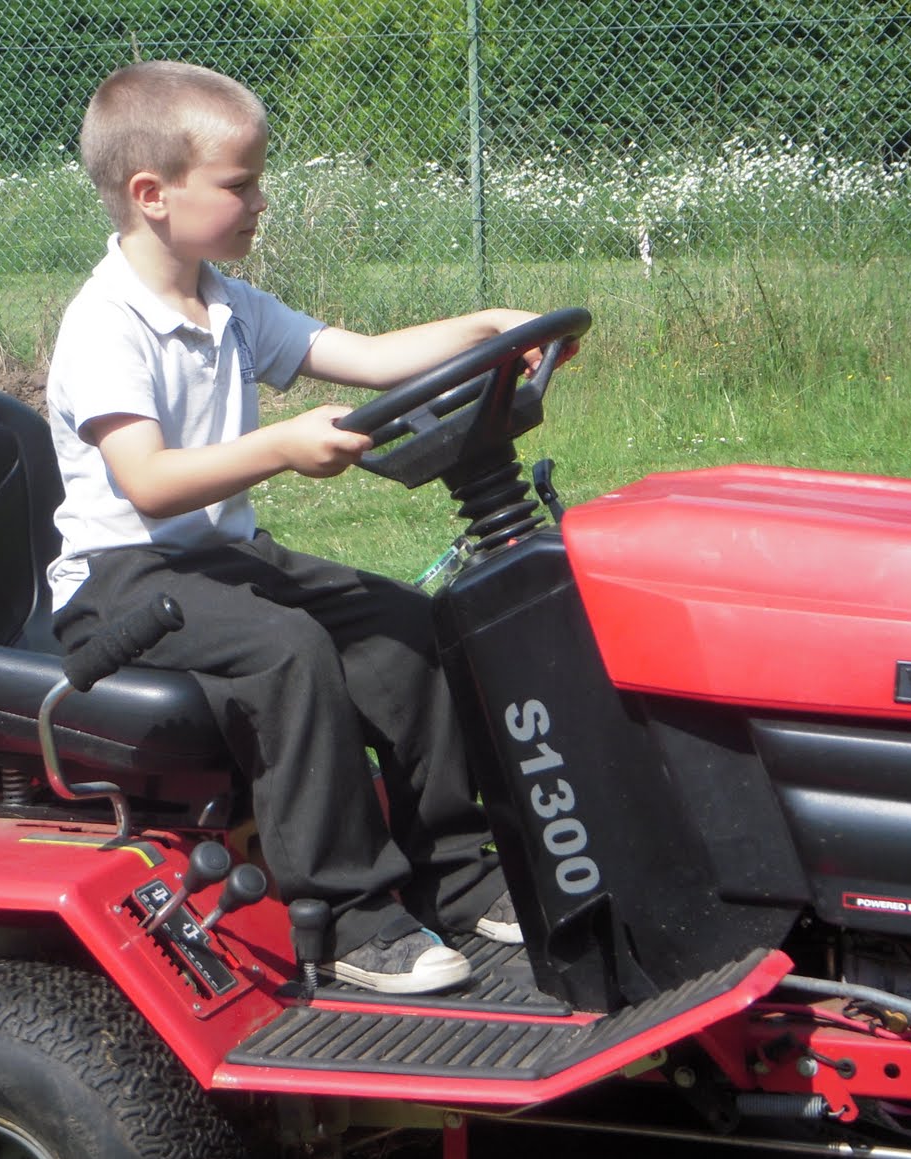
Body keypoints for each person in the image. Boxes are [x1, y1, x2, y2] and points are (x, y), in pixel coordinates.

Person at [46, 60, 548, 995]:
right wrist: (279, 446)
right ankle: (353, 915)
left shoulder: (223, 301)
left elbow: (358, 357)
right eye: (240, 184)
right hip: (117, 580)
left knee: (403, 628)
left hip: (214, 560)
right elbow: (148, 484)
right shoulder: (104, 326)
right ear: (152, 195)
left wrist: (488, 325)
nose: (260, 201)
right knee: (288, 649)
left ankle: (458, 870)